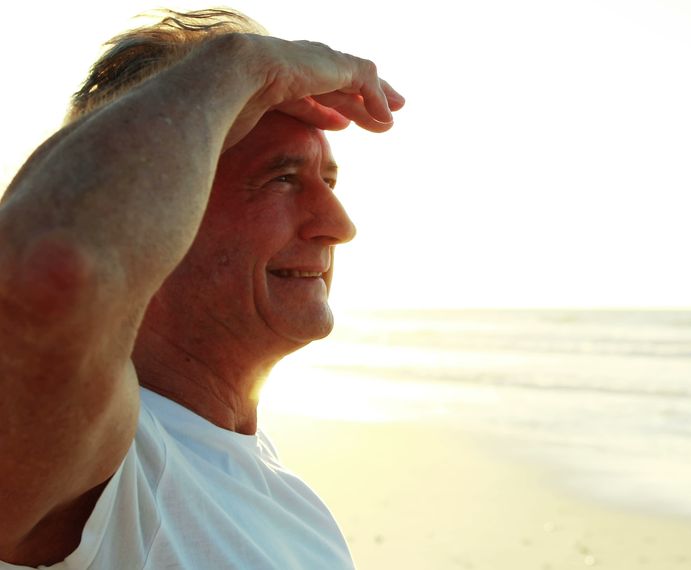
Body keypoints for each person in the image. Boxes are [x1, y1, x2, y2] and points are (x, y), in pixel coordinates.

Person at [0, 8, 403, 569]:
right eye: (282, 179)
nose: (337, 224)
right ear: (155, 211)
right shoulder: (106, 473)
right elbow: (49, 275)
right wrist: (241, 66)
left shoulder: (295, 506)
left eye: (327, 181)